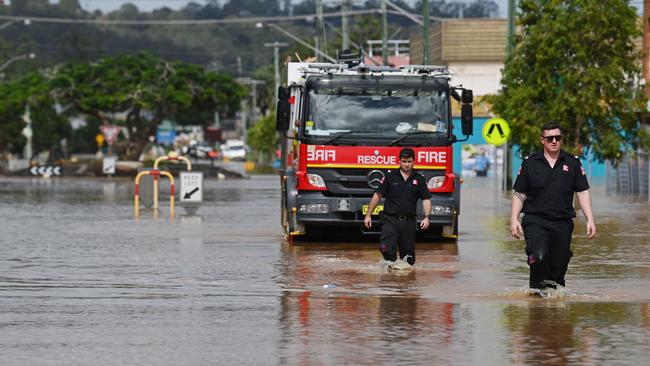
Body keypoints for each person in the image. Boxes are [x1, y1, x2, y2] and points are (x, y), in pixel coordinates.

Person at [510, 122, 597, 293]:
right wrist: (513, 218)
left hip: (562, 223)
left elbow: (582, 192)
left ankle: (553, 307)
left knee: (558, 268)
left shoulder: (572, 163)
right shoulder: (530, 164)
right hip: (535, 220)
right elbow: (520, 193)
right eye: (550, 138)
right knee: (540, 256)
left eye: (558, 137)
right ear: (542, 140)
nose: (554, 141)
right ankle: (535, 288)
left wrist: (590, 219)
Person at [364, 148, 432, 267]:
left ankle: (403, 282)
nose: (407, 164)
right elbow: (377, 195)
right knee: (386, 248)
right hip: (390, 219)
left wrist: (426, 217)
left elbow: (426, 199)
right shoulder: (390, 177)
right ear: (399, 161)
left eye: (409, 161)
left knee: (408, 259)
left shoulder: (419, 179)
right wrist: (368, 215)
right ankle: (390, 279)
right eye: (404, 161)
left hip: (409, 222)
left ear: (414, 161)